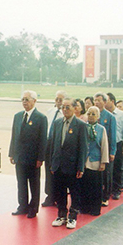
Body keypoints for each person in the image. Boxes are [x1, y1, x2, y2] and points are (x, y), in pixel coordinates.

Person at [47, 98, 88, 229]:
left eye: (68, 107)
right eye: (63, 107)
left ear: (75, 108)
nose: (65, 110)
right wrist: (52, 163)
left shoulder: (80, 125)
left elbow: (83, 148)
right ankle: (61, 214)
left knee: (74, 192)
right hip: (58, 164)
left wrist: (81, 166)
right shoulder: (57, 123)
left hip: (72, 165)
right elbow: (53, 145)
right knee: (60, 192)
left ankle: (73, 216)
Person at [9, 90, 47, 219]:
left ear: (34, 101)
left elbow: (43, 140)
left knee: (34, 184)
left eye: (27, 99)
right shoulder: (18, 116)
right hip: (20, 156)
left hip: (33, 158)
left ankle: (33, 208)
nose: (24, 102)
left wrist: (40, 158)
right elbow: (14, 136)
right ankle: (22, 206)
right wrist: (12, 153)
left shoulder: (41, 118)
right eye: (23, 99)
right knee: (21, 183)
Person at [80, 106, 108, 216]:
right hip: (84, 163)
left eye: (93, 114)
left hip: (95, 162)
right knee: (84, 186)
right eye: (89, 113)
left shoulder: (101, 129)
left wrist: (103, 162)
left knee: (95, 187)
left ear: (98, 116)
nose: (91, 116)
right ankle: (84, 207)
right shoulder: (82, 127)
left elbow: (104, 146)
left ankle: (95, 209)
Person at [42, 90, 66, 207]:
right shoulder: (50, 111)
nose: (58, 102)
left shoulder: (65, 113)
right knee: (48, 169)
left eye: (60, 100)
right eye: (56, 99)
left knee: (57, 170)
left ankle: (58, 196)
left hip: (59, 144)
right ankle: (49, 195)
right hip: (48, 143)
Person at [105, 92, 123, 201]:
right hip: (105, 143)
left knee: (117, 168)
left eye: (106, 100)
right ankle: (107, 189)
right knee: (106, 169)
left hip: (118, 143)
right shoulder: (104, 114)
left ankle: (116, 190)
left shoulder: (121, 114)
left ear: (112, 101)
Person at [93, 92, 117, 206]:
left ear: (105, 102)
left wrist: (112, 152)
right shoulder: (92, 115)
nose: (97, 102)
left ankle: (105, 196)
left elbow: (112, 136)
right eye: (95, 100)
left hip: (105, 149)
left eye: (99, 100)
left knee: (106, 174)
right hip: (94, 150)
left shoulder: (110, 117)